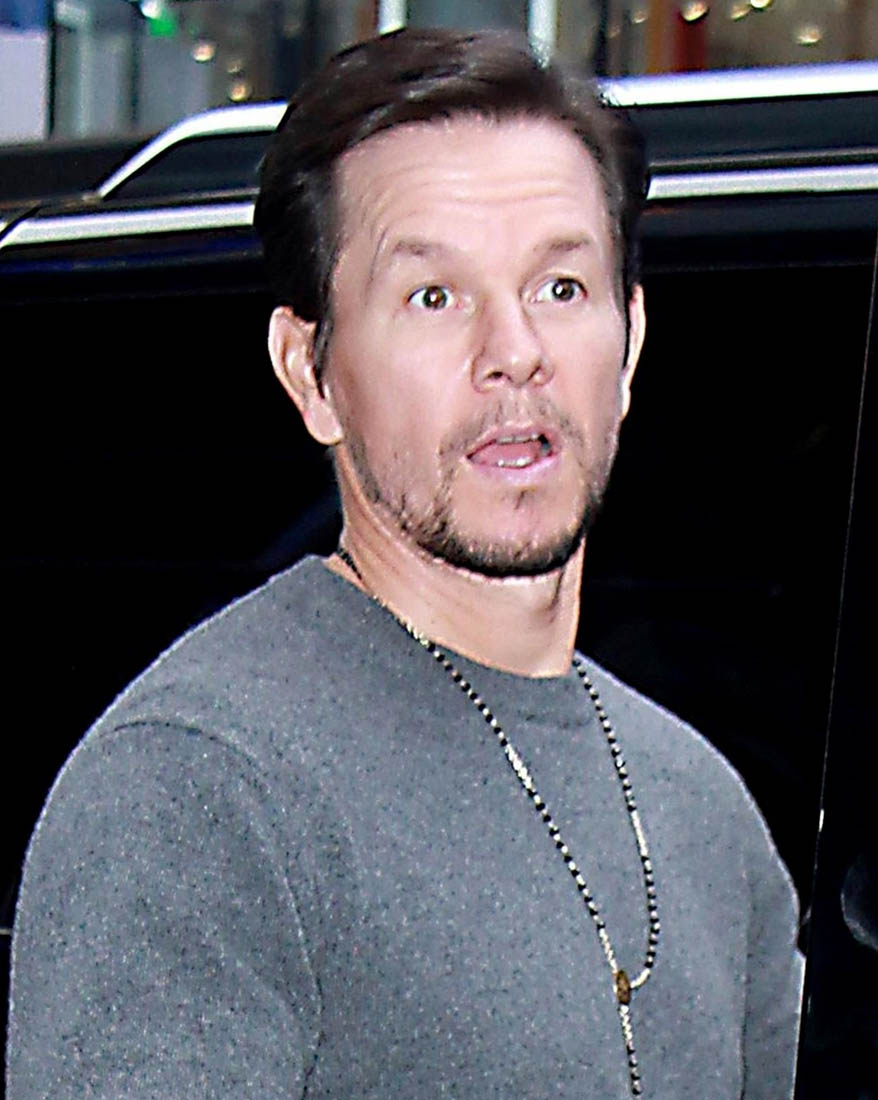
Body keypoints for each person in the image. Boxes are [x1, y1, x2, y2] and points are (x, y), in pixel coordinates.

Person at [7, 28, 802, 1100]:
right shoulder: (199, 791)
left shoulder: (703, 811)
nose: (514, 351)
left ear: (630, 341)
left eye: (561, 287)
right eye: (434, 296)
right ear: (310, 372)